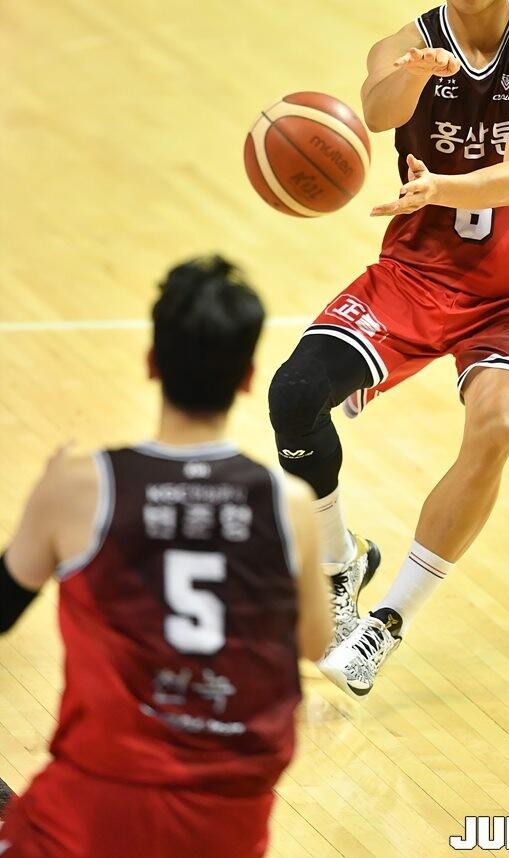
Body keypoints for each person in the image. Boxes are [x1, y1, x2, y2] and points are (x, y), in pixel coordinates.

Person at [268, 0, 509, 699]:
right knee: (293, 394)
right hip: (415, 274)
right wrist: (412, 74)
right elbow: (375, 111)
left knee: (497, 424)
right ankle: (340, 563)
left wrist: (440, 188)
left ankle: (387, 623)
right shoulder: (400, 47)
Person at [0, 256, 331, 857]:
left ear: (151, 362)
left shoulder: (82, 485)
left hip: (94, 808)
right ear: (248, 378)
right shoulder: (289, 505)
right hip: (229, 816)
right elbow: (314, 643)